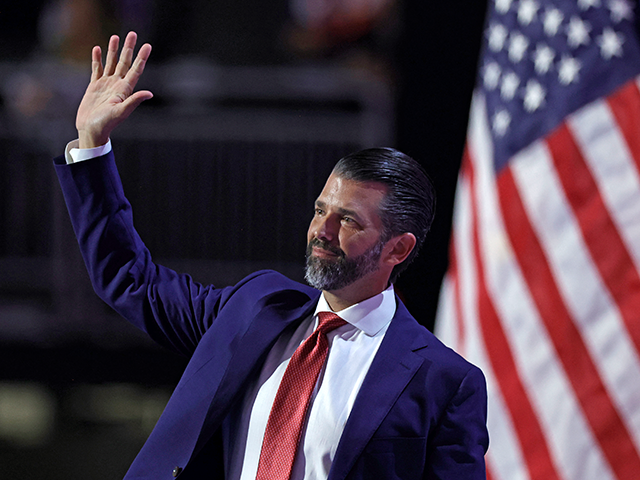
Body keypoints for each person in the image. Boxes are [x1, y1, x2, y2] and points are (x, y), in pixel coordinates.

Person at [54, 32, 488, 480]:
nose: (322, 230)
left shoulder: (444, 381)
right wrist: (91, 146)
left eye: (349, 221)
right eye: (321, 210)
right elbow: (132, 280)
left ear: (399, 248)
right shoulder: (255, 306)